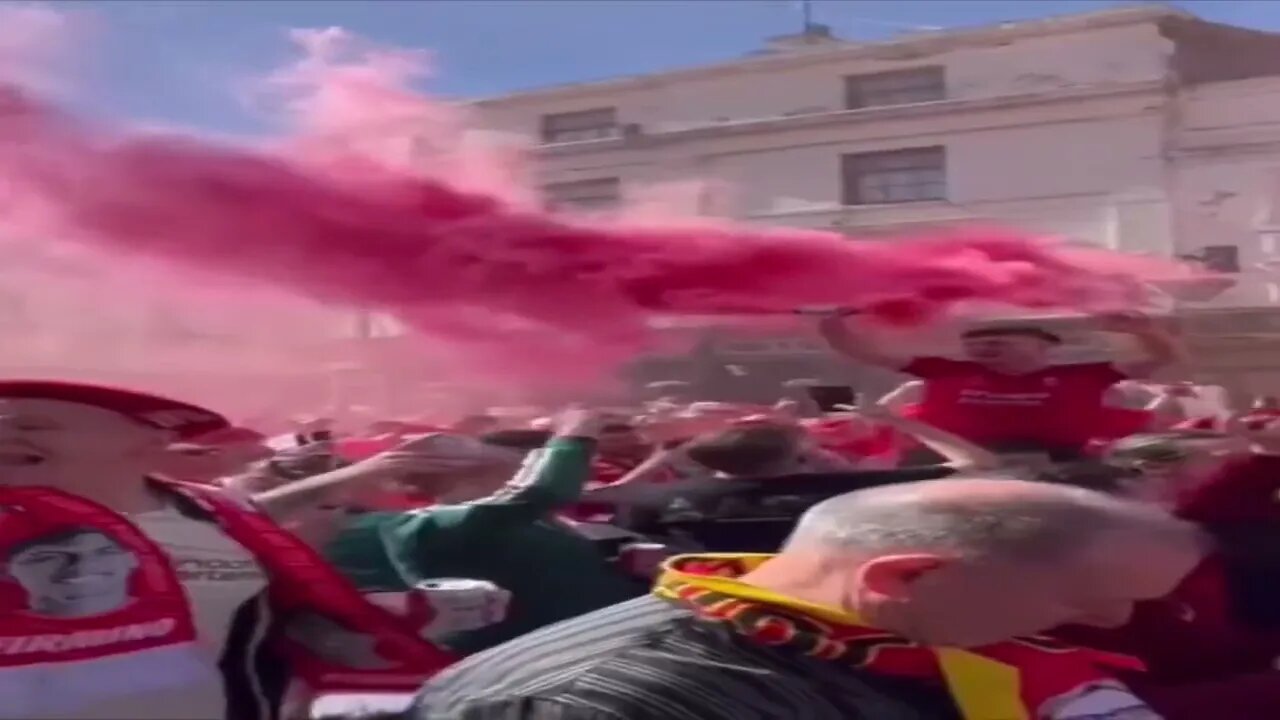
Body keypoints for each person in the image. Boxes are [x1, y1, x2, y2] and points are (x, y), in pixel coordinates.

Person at [408, 478, 1202, 720]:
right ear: (904, 578)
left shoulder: (879, 636)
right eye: (1079, 602)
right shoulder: (586, 706)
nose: (1113, 628)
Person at [0, 380, 458, 720]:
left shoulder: (215, 514)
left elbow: (275, 625)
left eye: (33, 425)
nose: (5, 435)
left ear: (150, 439)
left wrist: (405, 611)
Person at [257, 409, 648, 657]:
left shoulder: (513, 522)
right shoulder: (418, 529)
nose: (520, 463)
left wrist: (620, 561)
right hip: (553, 667)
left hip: (595, 653)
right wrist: (573, 433)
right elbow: (540, 491)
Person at [819, 312, 1179, 460]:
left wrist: (1144, 330)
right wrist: (835, 329)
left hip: (1058, 469)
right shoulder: (944, 371)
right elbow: (869, 353)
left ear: (1043, 346)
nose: (984, 351)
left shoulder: (1085, 375)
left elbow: (1160, 358)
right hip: (947, 467)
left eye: (998, 343)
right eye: (975, 346)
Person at [5, 527, 138, 618]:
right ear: (6, 571)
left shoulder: (157, 621)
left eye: (104, 552)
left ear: (132, 559)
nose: (82, 564)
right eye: (48, 556)